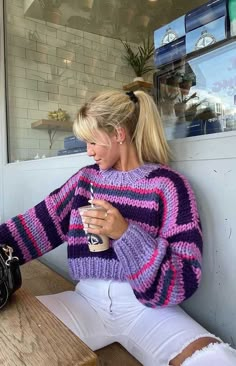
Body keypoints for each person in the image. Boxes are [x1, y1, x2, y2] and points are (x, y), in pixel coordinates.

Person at [0, 90, 235, 366]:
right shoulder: (85, 180)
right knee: (10, 331)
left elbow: (185, 274)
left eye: (91, 141)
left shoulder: (169, 186)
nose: (87, 151)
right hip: (86, 301)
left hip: (148, 309)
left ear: (118, 133)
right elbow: (37, 224)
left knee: (218, 359)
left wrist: (125, 234)